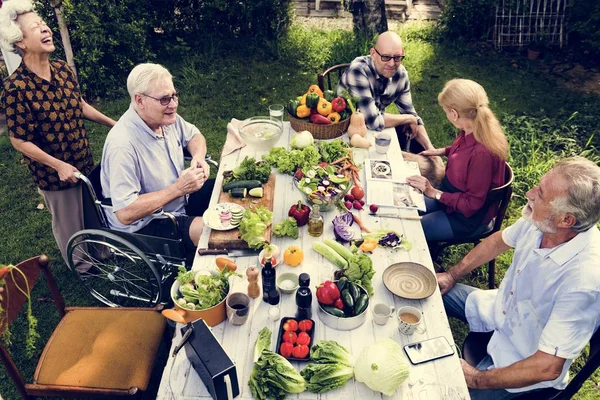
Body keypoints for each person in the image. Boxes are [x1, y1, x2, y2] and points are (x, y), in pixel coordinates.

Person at [438, 157, 600, 399]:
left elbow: (547, 366)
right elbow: (498, 241)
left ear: (566, 219)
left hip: (523, 361)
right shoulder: (544, 221)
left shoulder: (583, 280)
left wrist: (475, 379)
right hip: (498, 309)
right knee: (428, 289)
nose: (529, 193)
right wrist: (451, 275)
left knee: (447, 392)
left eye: (541, 194)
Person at [0, 0, 116, 264]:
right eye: (36, 28)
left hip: (82, 158)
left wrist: (114, 124)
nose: (46, 30)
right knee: (69, 222)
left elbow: (80, 105)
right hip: (54, 173)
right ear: (20, 42)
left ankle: (102, 250)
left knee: (92, 210)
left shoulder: (62, 69)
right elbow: (18, 140)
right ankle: (82, 266)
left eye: (44, 24)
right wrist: (57, 165)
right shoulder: (15, 88)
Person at [101, 63, 214, 255]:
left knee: (228, 191)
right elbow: (125, 213)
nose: (173, 104)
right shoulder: (122, 145)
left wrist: (198, 157)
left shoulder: (165, 118)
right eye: (164, 99)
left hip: (179, 201)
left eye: (174, 95)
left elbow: (195, 136)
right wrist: (178, 189)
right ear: (140, 100)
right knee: (212, 232)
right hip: (146, 224)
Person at [406, 79, 508, 241]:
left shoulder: (482, 154)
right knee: (404, 210)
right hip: (450, 199)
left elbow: (471, 204)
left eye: (445, 111)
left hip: (465, 218)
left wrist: (433, 192)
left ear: (454, 114)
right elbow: (463, 152)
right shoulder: (472, 128)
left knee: (409, 231)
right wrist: (442, 151)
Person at [337, 31, 434, 153]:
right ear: (373, 53)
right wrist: (408, 118)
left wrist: (431, 149)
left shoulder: (401, 74)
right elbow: (372, 121)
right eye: (386, 57)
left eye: (397, 57)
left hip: (375, 131)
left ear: (402, 53)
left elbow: (411, 114)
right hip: (344, 133)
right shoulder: (358, 71)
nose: (392, 64)